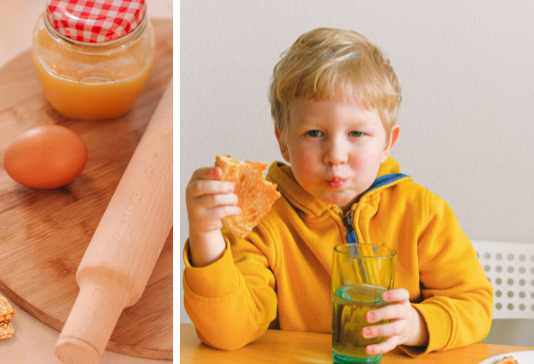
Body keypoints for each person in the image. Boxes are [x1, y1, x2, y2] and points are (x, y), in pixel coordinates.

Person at [183, 27, 493, 357]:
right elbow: (228, 332)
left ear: (387, 142)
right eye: (314, 132)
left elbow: (474, 303)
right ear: (283, 142)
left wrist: (417, 324)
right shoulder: (263, 222)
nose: (336, 155)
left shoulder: (422, 213)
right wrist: (205, 237)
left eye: (357, 133)